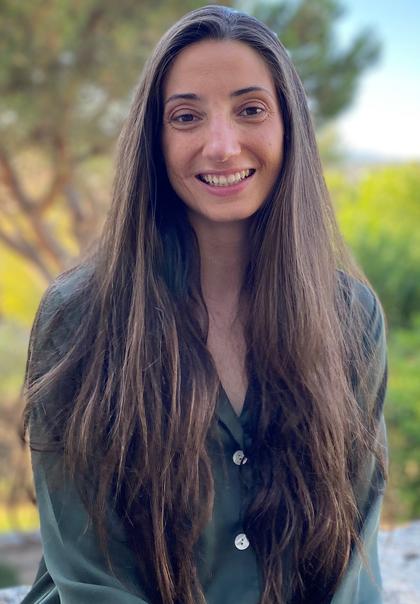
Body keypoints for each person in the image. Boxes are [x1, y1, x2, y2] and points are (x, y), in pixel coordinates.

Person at [21, 5, 388, 604]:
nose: (221, 145)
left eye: (250, 110)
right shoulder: (77, 318)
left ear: (288, 126)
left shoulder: (352, 319)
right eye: (187, 116)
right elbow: (91, 578)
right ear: (155, 141)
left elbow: (355, 559)